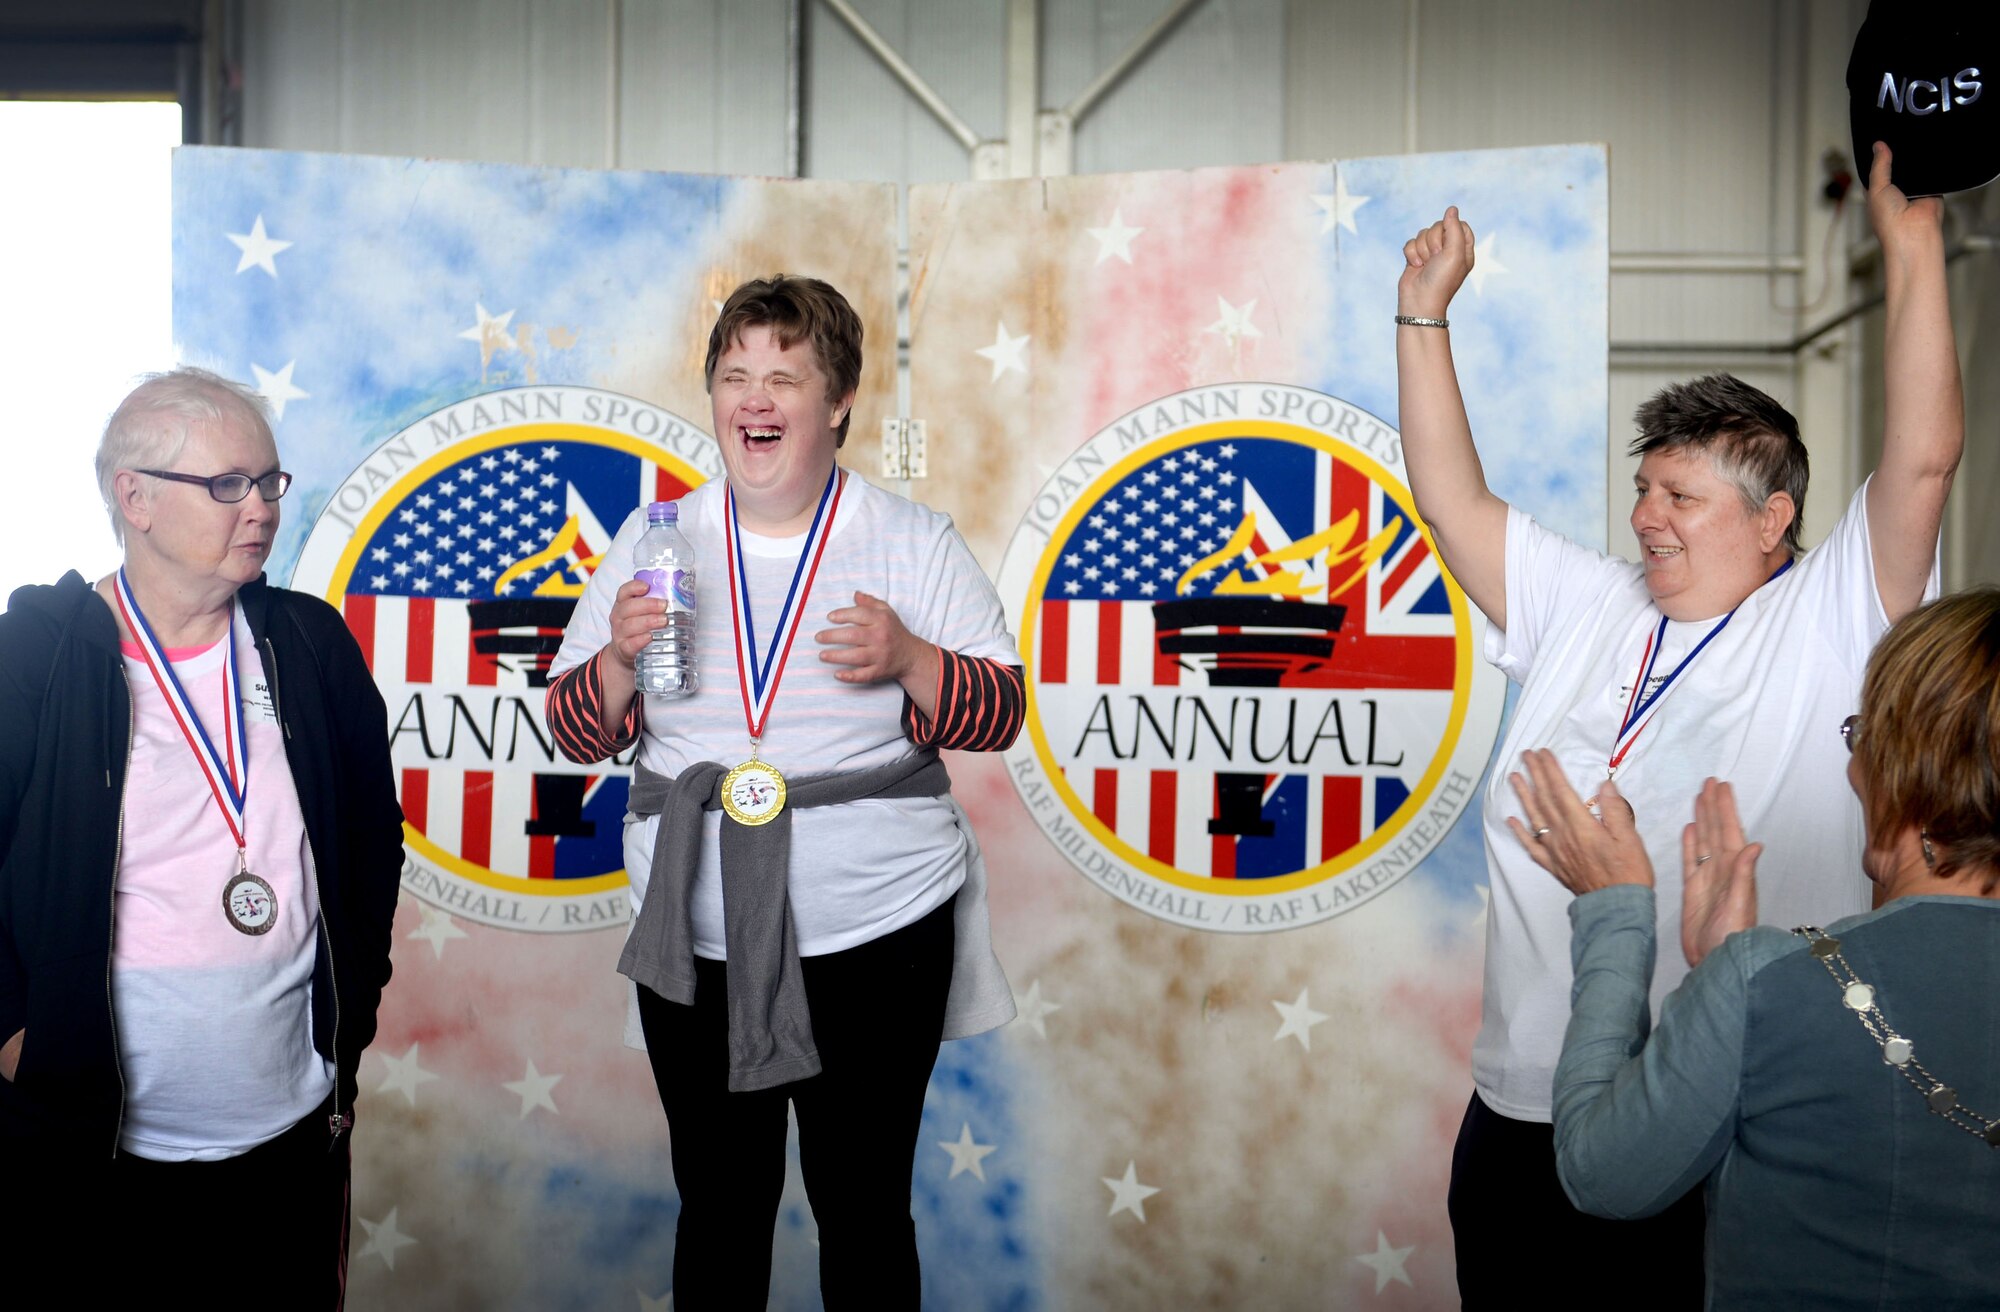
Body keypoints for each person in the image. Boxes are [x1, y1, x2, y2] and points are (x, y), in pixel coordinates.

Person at [1397, 141, 1961, 1302]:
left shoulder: (1822, 618)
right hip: (1519, 1107)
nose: (1646, 517)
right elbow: (1450, 502)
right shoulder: (1588, 602)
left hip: (1710, 1124)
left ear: (1771, 521)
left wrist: (1908, 245)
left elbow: (1921, 463)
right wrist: (1420, 319)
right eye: (1642, 488)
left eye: (1681, 496)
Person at [546, 275, 1024, 1309]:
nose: (753, 399)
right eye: (734, 376)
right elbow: (576, 729)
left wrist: (911, 657)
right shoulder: (652, 540)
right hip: (699, 929)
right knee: (717, 1206)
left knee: (862, 1207)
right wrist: (621, 660)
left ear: (839, 400)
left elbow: (997, 717)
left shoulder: (912, 539)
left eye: (784, 376)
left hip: (880, 930)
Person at [0, 368, 405, 1305]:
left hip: (292, 1138)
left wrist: (357, 1006)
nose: (259, 507)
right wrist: (12, 1031)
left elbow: (372, 838)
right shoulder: (39, 652)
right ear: (132, 497)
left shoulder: (308, 642)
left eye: (268, 482)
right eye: (227, 485)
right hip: (91, 1146)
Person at [1507, 586, 2000, 1308]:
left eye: (1862, 734)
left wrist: (1614, 913)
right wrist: (1727, 982)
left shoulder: (1769, 981)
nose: (1854, 765)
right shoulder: (1765, 980)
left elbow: (1601, 1175)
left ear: (1905, 763)